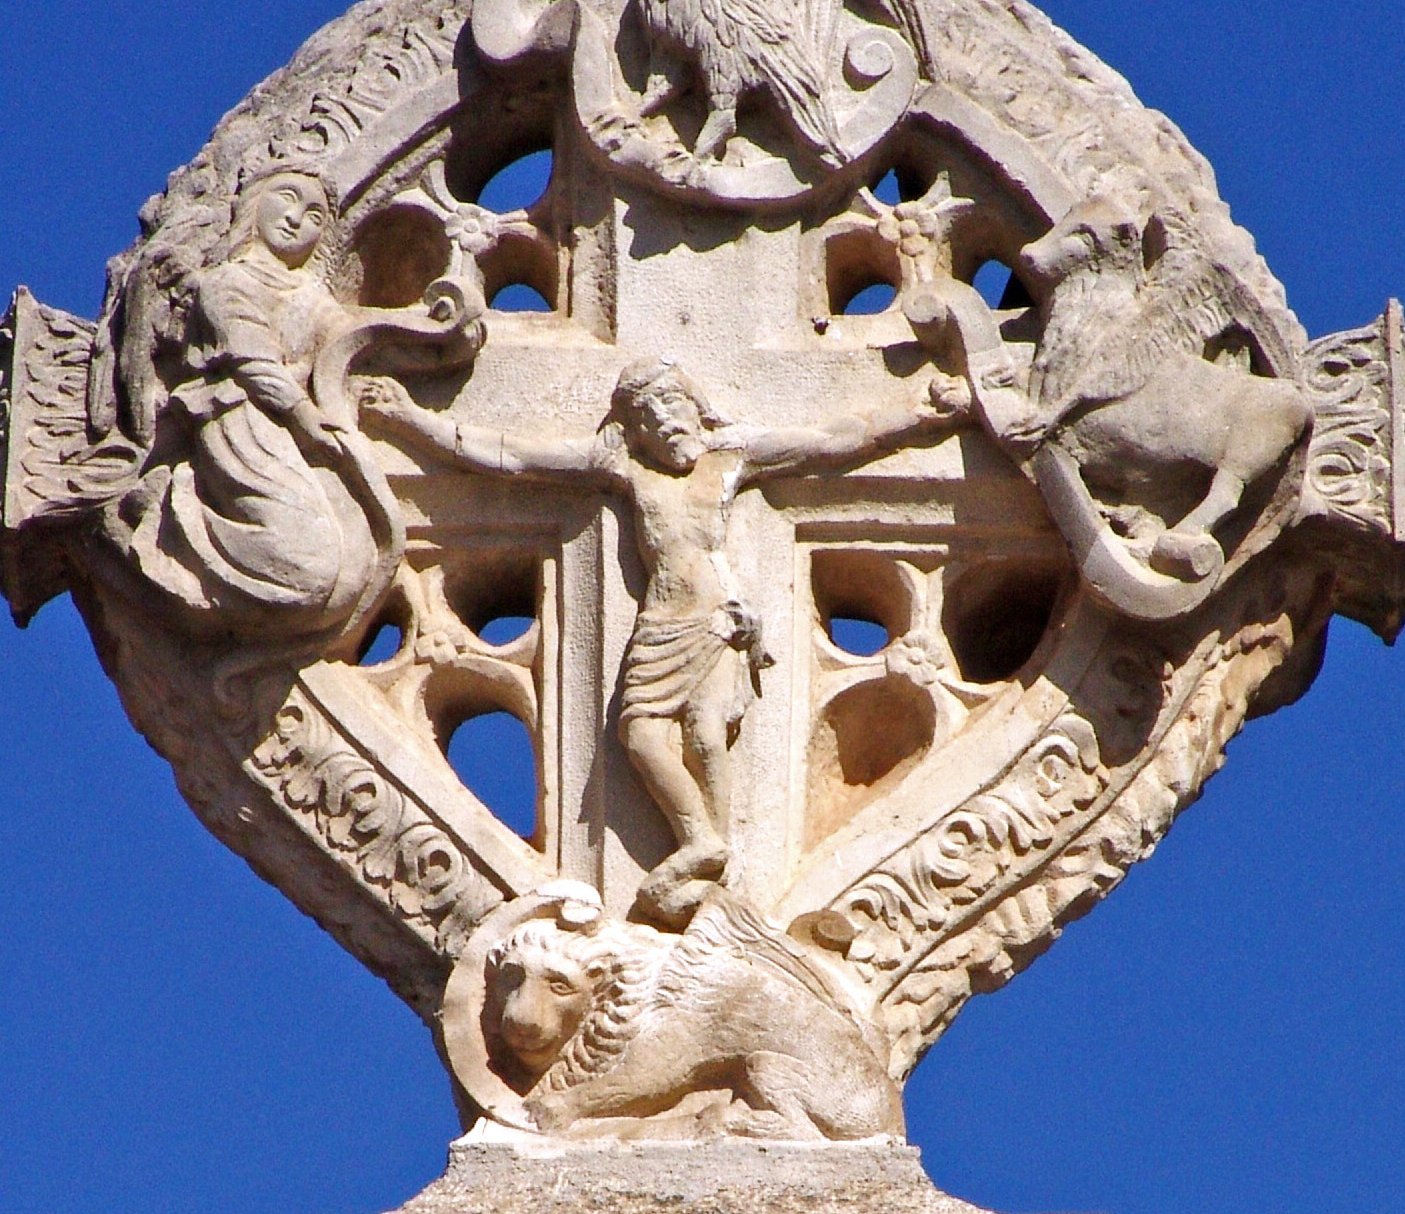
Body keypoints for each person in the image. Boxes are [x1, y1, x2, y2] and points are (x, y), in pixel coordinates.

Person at [361, 356, 967, 916]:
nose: (666, 426)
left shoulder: (731, 458)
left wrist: (917, 415)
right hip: (660, 623)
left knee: (705, 731)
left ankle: (712, 849)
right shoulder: (625, 469)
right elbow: (513, 456)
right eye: (649, 419)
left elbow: (830, 440)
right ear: (635, 432)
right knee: (641, 735)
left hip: (717, 619)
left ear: (695, 408)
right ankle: (702, 838)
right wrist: (409, 420)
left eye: (673, 408)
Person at [116, 172, 396, 641]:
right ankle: (177, 517)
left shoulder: (308, 295)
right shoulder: (227, 281)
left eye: (314, 217)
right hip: (239, 423)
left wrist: (430, 327)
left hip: (294, 431)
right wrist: (303, 413)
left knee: (352, 563)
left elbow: (352, 336)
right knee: (309, 570)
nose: (295, 219)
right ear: (254, 204)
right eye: (286, 198)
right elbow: (251, 357)